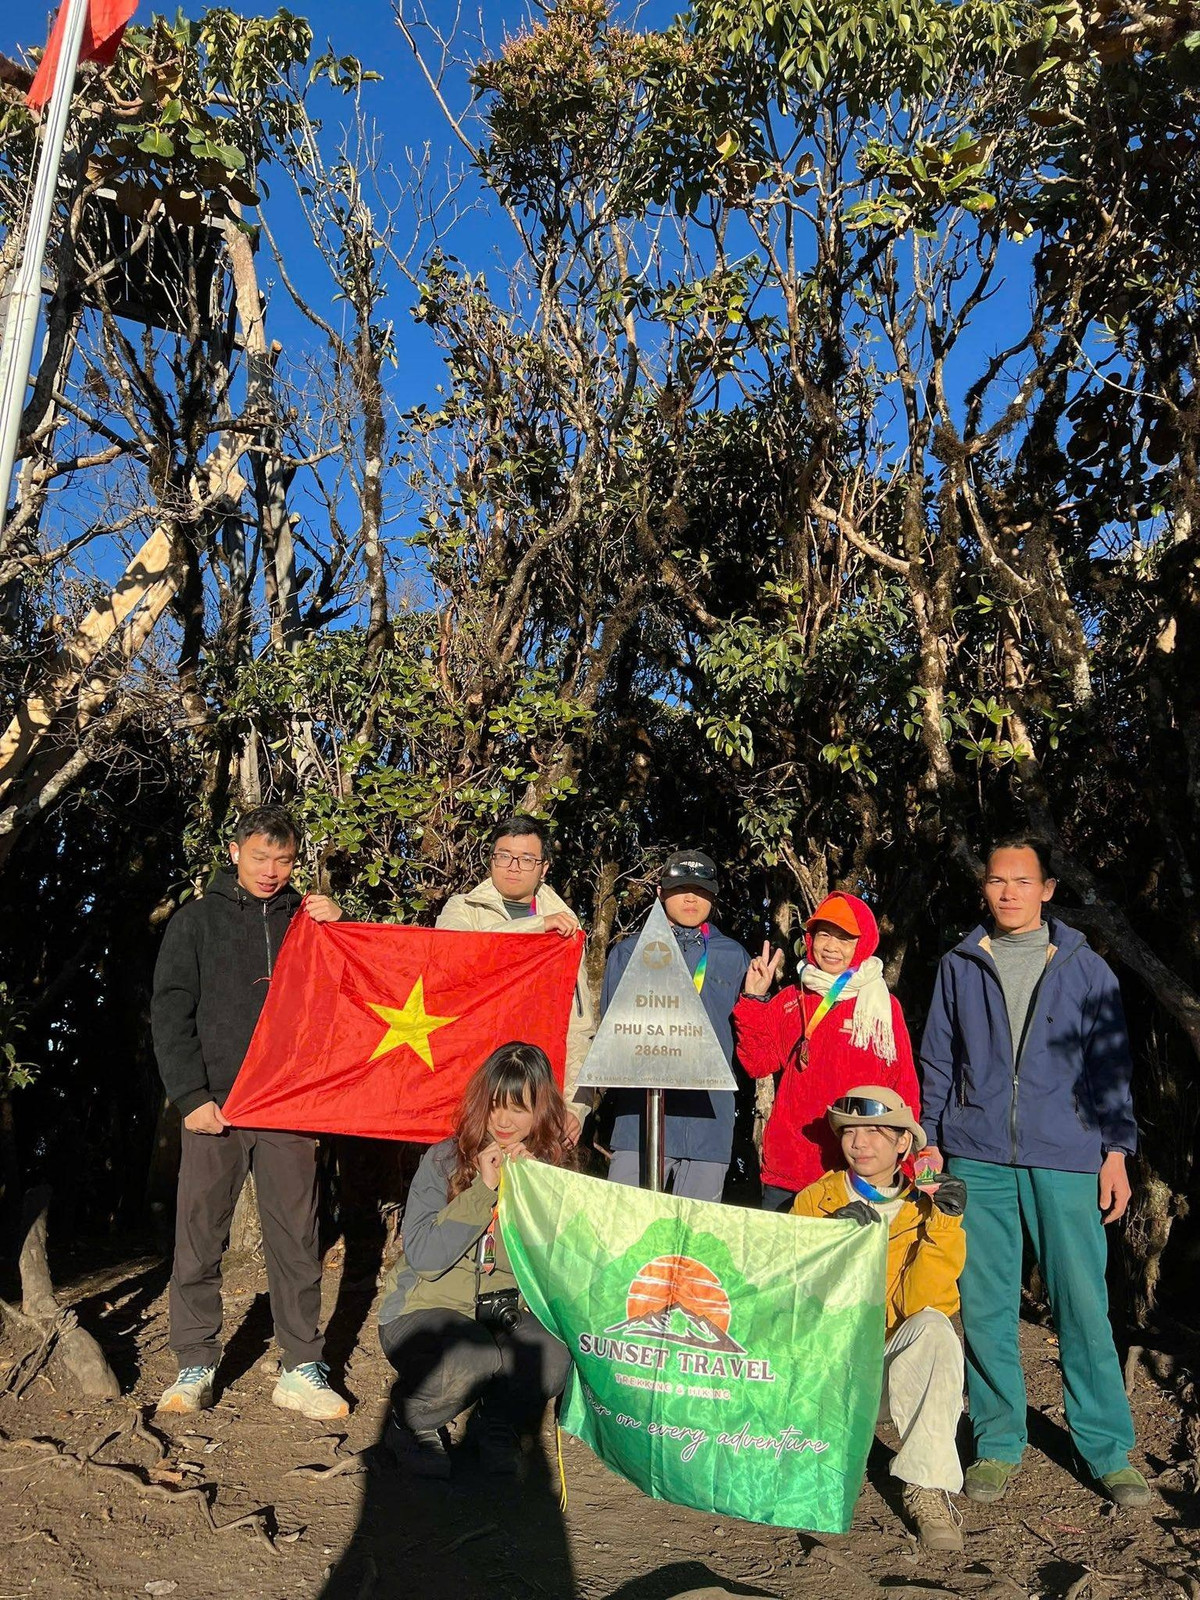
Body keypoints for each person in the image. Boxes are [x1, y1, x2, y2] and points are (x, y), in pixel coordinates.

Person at [920, 835, 1149, 1508]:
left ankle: (1106, 1448)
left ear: (1047, 889)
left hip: (1068, 1155)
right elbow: (938, 1060)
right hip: (974, 1155)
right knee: (986, 1306)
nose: (1009, 891)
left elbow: (1111, 1067)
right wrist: (931, 1140)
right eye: (997, 880)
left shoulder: (1085, 969)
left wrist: (1115, 1152)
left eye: (1023, 881)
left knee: (1081, 1302)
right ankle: (996, 1442)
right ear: (985, 888)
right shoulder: (961, 964)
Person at [151, 805, 349, 1420]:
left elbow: (351, 997)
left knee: (297, 1237)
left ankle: (301, 1366)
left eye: (284, 860)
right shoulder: (195, 921)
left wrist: (339, 927)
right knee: (199, 1232)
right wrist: (191, 1097)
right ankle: (194, 1361)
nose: (271, 870)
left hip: (290, 1105)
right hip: (216, 1104)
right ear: (234, 852)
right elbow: (169, 1012)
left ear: (297, 863)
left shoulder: (308, 922)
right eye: (260, 856)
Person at [378, 1042, 577, 1478]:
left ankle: (496, 1426)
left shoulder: (549, 1172)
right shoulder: (444, 1159)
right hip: (423, 1312)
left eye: (519, 1109)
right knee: (473, 1355)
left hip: (501, 1312)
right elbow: (426, 1257)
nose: (504, 1121)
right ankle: (410, 1422)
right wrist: (483, 1190)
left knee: (553, 1354)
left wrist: (532, 1192)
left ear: (541, 1112)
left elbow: (561, 1266)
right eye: (495, 1105)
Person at [792, 1086, 968, 1552]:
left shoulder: (924, 1207)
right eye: (850, 1131)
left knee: (934, 1328)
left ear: (903, 1144)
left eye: (875, 1131)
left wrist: (944, 1224)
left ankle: (927, 1489)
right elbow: (793, 1303)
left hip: (884, 1370)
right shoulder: (816, 1201)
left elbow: (924, 1304)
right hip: (826, 1372)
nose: (860, 1142)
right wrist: (836, 1245)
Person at [734, 892, 921, 1211]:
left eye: (845, 938)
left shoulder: (882, 1007)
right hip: (791, 1167)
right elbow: (757, 1062)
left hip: (860, 1167)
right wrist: (753, 999)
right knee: (784, 1260)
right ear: (810, 939)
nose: (832, 947)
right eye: (824, 935)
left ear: (861, 945)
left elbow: (902, 1086)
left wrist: (905, 1158)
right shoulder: (792, 999)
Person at [603, 850, 751, 1201]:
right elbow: (612, 1042)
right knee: (623, 1229)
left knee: (693, 1240)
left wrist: (758, 1000)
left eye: (700, 890)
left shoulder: (735, 957)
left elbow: (749, 1046)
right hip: (638, 1121)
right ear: (660, 892)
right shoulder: (630, 953)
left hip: (709, 1123)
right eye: (680, 888)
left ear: (712, 897)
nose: (690, 898)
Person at [437, 814, 595, 1132]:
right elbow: (456, 958)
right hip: (470, 1092)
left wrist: (575, 1107)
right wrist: (538, 927)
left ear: (543, 868)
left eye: (526, 859)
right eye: (504, 856)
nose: (514, 866)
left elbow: (578, 1025)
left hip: (536, 1097)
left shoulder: (566, 924)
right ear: (491, 860)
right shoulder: (462, 908)